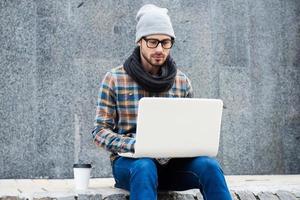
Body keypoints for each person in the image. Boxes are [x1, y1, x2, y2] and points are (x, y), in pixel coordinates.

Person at [91, 4, 232, 200]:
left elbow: (191, 130)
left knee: (210, 166)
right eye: (152, 42)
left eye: (165, 43)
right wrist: (136, 145)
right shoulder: (114, 78)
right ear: (140, 41)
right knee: (145, 165)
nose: (159, 49)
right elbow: (99, 132)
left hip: (173, 165)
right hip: (132, 165)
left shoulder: (181, 82)